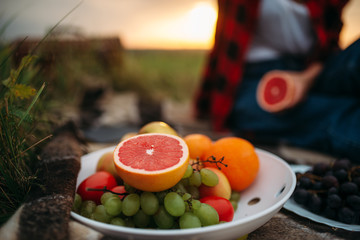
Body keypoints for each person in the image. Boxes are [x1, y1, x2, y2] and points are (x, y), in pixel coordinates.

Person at [195, 0, 360, 162]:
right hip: (253, 79)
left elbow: (329, 47)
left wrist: (306, 79)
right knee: (339, 118)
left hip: (315, 69)